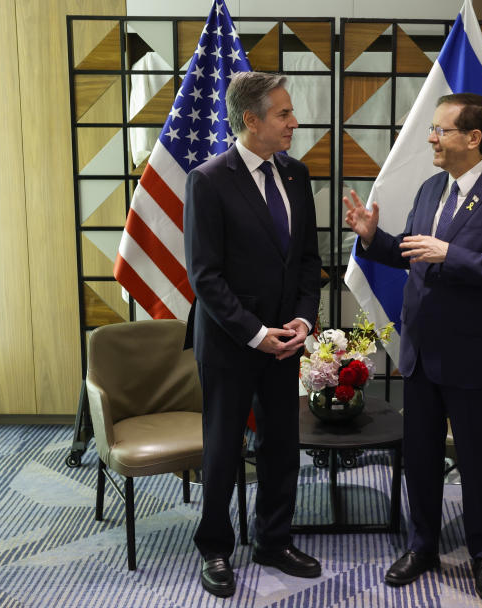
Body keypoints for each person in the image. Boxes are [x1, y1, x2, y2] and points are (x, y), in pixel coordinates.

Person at [343, 93, 482, 602]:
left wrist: (453, 254)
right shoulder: (431, 189)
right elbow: (413, 252)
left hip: (472, 355)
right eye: (432, 129)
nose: (431, 137)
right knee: (421, 458)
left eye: (441, 130)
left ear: (473, 138)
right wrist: (372, 236)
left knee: (474, 463)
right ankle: (422, 544)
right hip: (422, 351)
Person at [183, 71, 322, 598]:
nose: (293, 122)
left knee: (281, 444)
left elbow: (307, 261)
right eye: (283, 113)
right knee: (222, 448)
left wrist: (303, 322)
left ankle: (273, 539)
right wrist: (255, 332)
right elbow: (206, 277)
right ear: (251, 120)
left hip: (286, 340)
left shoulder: (296, 174)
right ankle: (215, 546)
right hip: (230, 341)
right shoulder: (209, 179)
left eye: (290, 112)